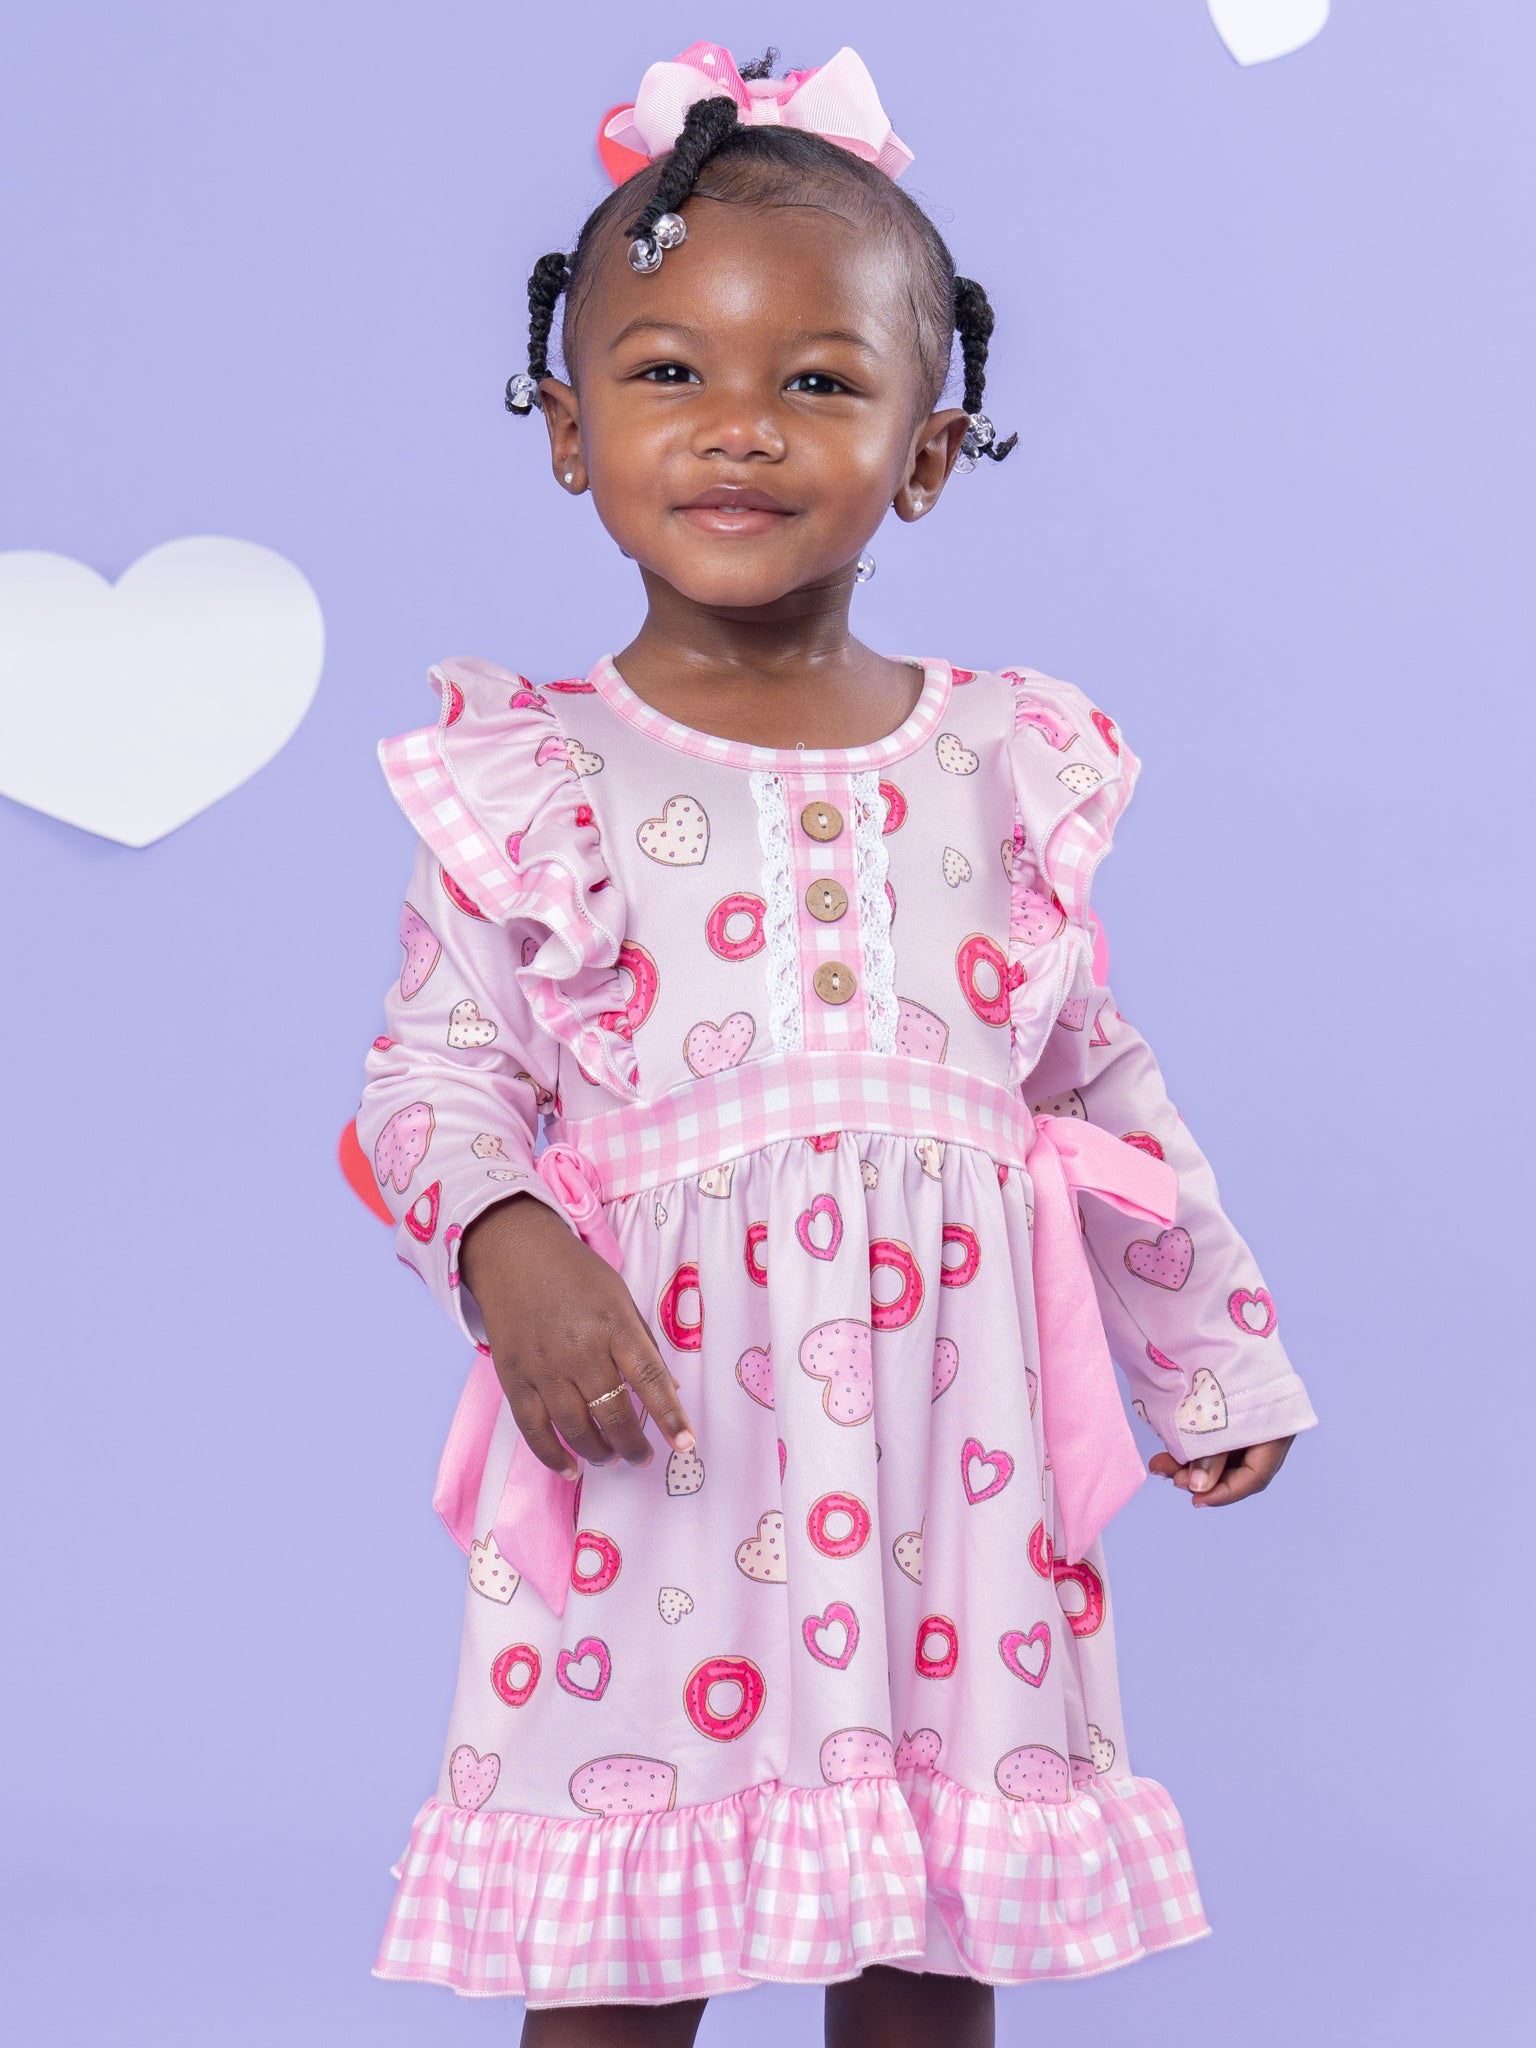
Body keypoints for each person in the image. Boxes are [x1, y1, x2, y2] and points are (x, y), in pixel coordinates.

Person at [354, 40, 1318, 2047]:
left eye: (816, 381)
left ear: (928, 447)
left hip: (953, 1438)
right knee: (621, 1931)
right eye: (667, 371)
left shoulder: (1004, 759)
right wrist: (507, 1241)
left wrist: (1205, 1346)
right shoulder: (533, 776)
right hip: (661, 1433)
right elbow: (433, 1083)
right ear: (568, 428)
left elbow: (1092, 1083)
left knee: (926, 1916)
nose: (739, 428)